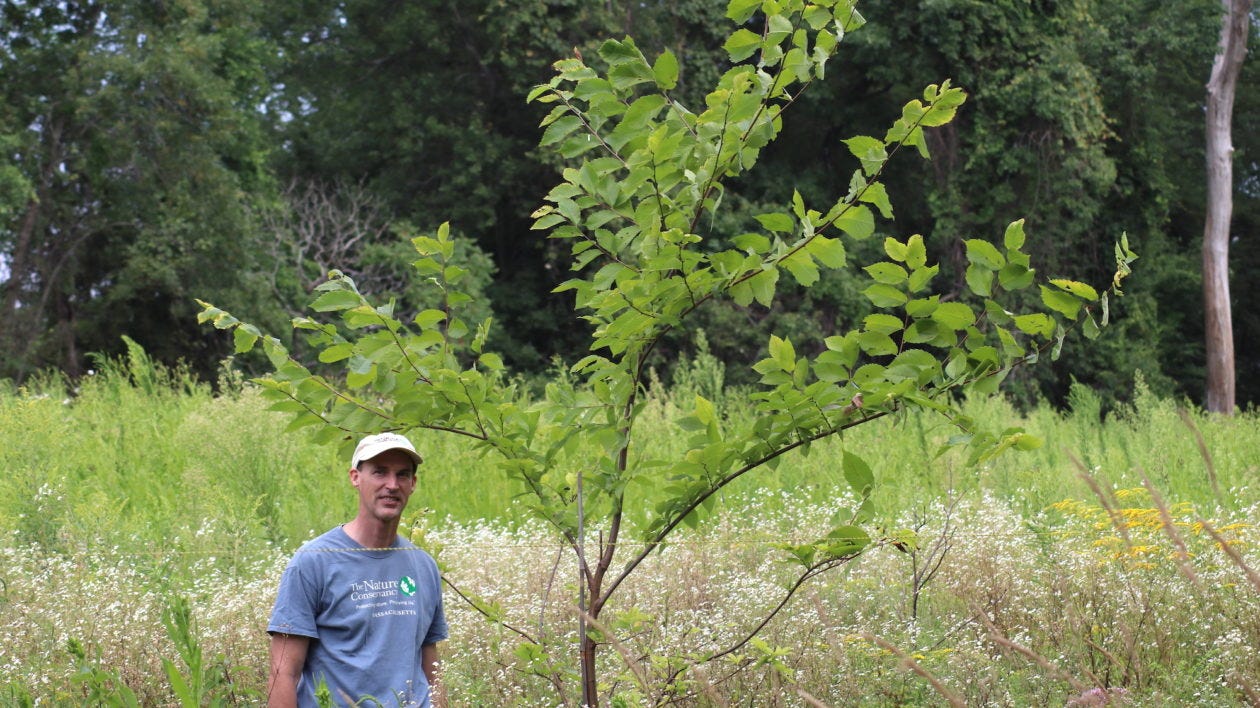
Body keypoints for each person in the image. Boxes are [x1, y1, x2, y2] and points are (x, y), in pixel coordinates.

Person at [267, 432, 448, 708]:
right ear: (355, 477)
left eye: (402, 475)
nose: (392, 485)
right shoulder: (314, 562)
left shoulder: (422, 565)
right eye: (379, 472)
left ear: (413, 484)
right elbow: (283, 673)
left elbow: (431, 667)